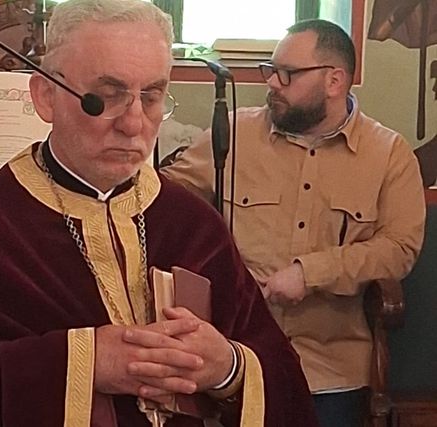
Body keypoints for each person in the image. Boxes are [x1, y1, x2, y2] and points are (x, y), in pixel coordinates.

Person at [0, 1, 317, 426]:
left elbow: (283, 376)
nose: (134, 123)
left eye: (152, 96)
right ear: (46, 96)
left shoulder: (192, 223)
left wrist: (228, 369)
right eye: (106, 96)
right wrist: (82, 363)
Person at [163, 19, 426, 427]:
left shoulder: (389, 154)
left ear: (334, 81)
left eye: (287, 73)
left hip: (329, 367)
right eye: (271, 70)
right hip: (233, 355)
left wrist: (311, 273)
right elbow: (167, 198)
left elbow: (399, 249)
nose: (272, 83)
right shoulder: (236, 132)